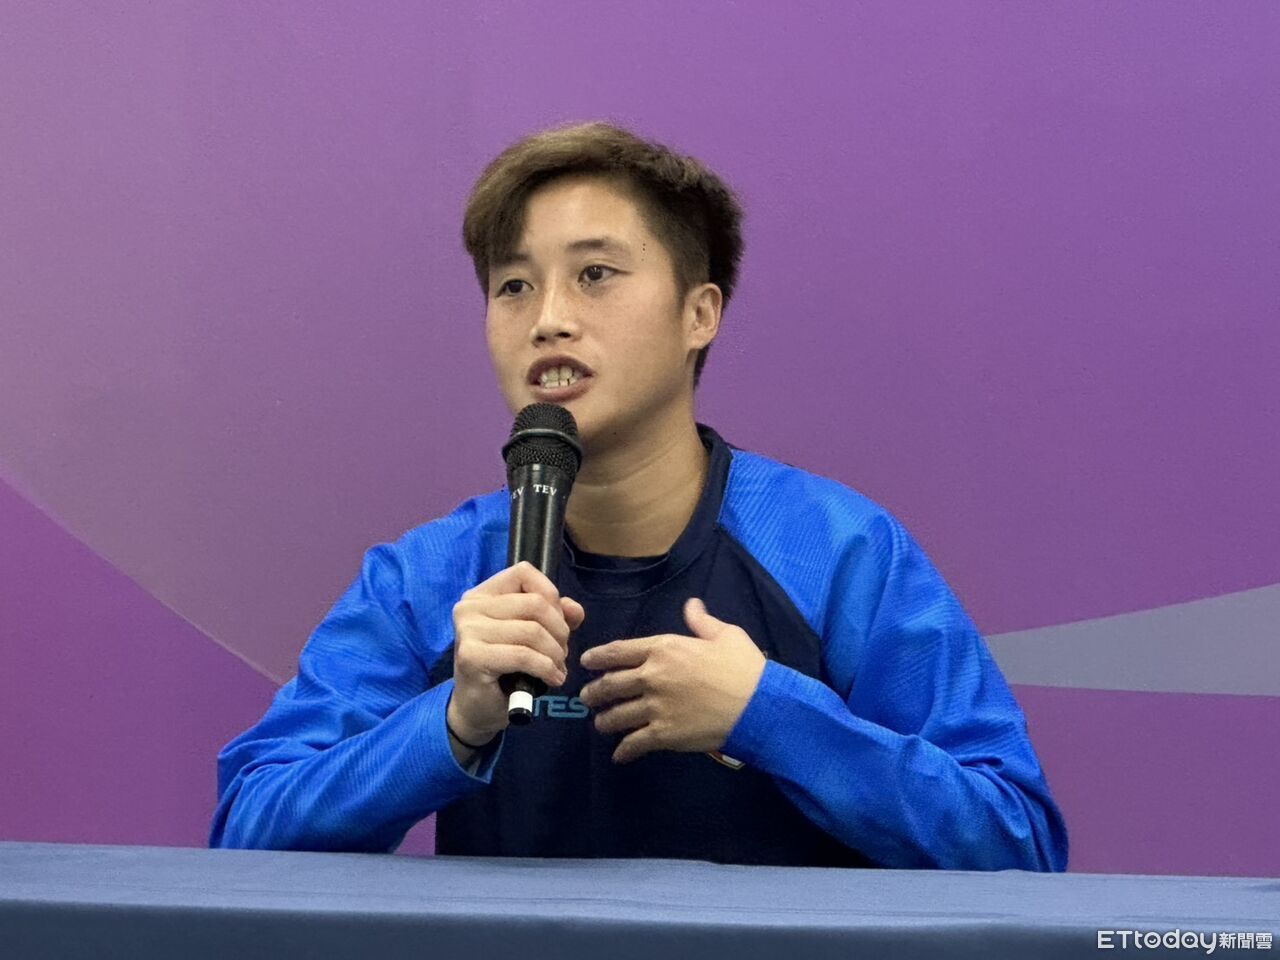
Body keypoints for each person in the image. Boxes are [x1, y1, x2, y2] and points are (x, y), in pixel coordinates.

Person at [210, 121, 1069, 870]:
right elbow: (249, 830)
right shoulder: (430, 576)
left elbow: (1015, 839)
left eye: (595, 274)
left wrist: (768, 715)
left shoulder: (837, 551)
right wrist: (454, 723)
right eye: (513, 286)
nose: (548, 318)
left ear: (700, 314)